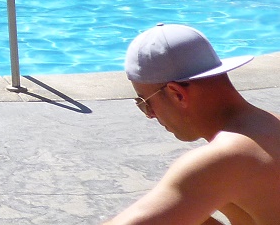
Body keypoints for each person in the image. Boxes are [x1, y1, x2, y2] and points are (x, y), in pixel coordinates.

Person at [100, 23, 280, 225]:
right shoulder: (271, 125)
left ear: (177, 94)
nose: (150, 115)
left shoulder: (225, 158)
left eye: (145, 102)